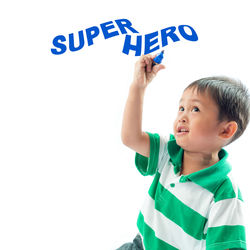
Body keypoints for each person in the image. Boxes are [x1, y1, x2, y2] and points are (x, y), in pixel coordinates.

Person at [117, 54, 249, 250]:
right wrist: (138, 87)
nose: (182, 116)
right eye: (181, 108)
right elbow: (130, 137)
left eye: (195, 109)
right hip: (140, 245)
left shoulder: (224, 193)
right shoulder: (169, 152)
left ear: (225, 130)